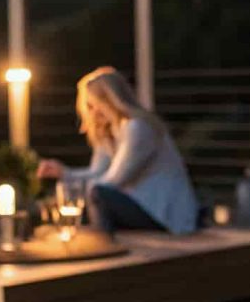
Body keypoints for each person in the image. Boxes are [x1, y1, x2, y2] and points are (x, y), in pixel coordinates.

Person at [37, 67, 198, 234]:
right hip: (140, 206)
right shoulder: (110, 131)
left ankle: (102, 244)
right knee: (90, 194)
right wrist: (64, 173)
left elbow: (113, 181)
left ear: (110, 100)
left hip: (164, 215)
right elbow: (98, 173)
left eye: (93, 105)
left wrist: (74, 195)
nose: (92, 113)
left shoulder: (138, 128)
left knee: (97, 194)